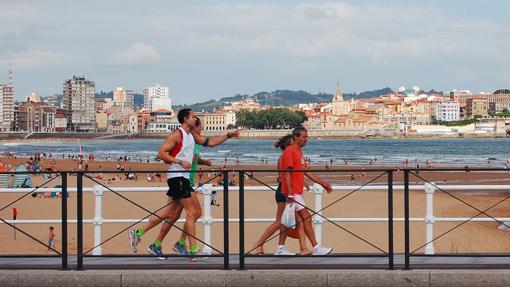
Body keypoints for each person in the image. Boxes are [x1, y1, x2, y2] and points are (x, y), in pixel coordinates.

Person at [129, 109, 239, 259]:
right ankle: (192, 250)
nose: (195, 119)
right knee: (192, 213)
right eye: (193, 117)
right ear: (186, 119)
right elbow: (161, 154)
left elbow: (211, 142)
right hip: (177, 177)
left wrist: (228, 135)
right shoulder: (176, 135)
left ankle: (140, 233)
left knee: (172, 214)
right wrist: (180, 161)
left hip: (183, 178)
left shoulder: (192, 136)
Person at [280, 127, 333, 255]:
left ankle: (280, 248)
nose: (306, 139)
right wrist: (290, 192)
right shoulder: (290, 152)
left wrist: (323, 183)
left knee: (289, 222)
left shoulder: (299, 152)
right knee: (306, 218)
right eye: (304, 137)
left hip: (297, 191)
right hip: (293, 192)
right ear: (295, 137)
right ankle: (316, 247)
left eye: (307, 136)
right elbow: (286, 173)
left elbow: (305, 171)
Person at [252, 135, 301, 255]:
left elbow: (291, 174)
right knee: (280, 222)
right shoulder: (284, 157)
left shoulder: (286, 156)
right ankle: (259, 243)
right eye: (293, 142)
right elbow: (285, 176)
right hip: (283, 191)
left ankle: (281, 247)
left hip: (285, 190)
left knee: (286, 221)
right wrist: (289, 192)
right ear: (288, 145)